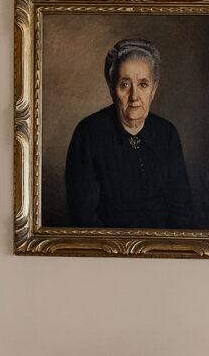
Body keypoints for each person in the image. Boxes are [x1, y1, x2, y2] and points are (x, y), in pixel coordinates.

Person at [64, 38, 194, 229]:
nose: (134, 97)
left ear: (154, 90)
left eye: (143, 84)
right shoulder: (88, 135)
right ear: (111, 89)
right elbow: (83, 218)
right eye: (124, 84)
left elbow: (181, 211)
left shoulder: (167, 133)